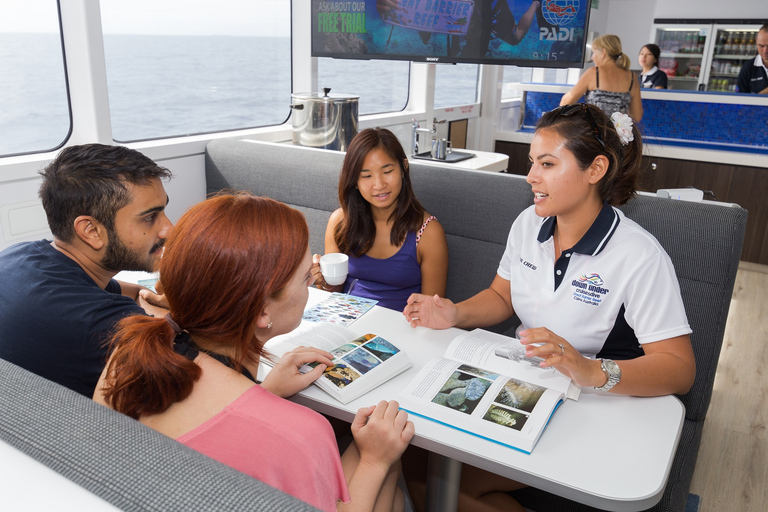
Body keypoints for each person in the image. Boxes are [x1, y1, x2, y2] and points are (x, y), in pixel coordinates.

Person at [403, 104, 695, 511]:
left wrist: (591, 370)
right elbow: (503, 297)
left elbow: (680, 369)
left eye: (546, 163)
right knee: (418, 460)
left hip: (600, 409)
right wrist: (456, 314)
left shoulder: (639, 255)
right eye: (531, 163)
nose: (531, 177)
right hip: (531, 388)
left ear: (595, 170)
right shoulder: (528, 223)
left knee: (443, 486)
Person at [94, 194, 415, 512]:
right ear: (262, 312)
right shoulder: (300, 433)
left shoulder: (126, 353)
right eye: (306, 278)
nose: (310, 288)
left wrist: (265, 393)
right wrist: (375, 461)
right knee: (389, 471)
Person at [0, 143, 172, 397]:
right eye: (149, 217)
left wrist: (159, 299)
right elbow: (199, 372)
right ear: (91, 231)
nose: (168, 228)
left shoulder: (18, 255)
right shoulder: (101, 323)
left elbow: (126, 293)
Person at [312, 127, 448, 311]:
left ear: (403, 168)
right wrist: (323, 281)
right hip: (347, 323)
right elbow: (334, 293)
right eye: (366, 175)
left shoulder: (428, 232)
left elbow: (433, 311)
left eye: (387, 171)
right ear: (355, 182)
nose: (379, 185)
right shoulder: (340, 222)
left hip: (403, 329)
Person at [561, 34, 643, 122]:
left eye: (594, 52)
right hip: (617, 134)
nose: (592, 57)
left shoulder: (593, 73)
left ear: (603, 53)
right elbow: (636, 116)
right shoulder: (632, 77)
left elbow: (565, 102)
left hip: (594, 133)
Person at [736, 24, 768, 94]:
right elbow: (739, 97)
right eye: (761, 46)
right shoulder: (748, 67)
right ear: (756, 42)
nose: (765, 51)